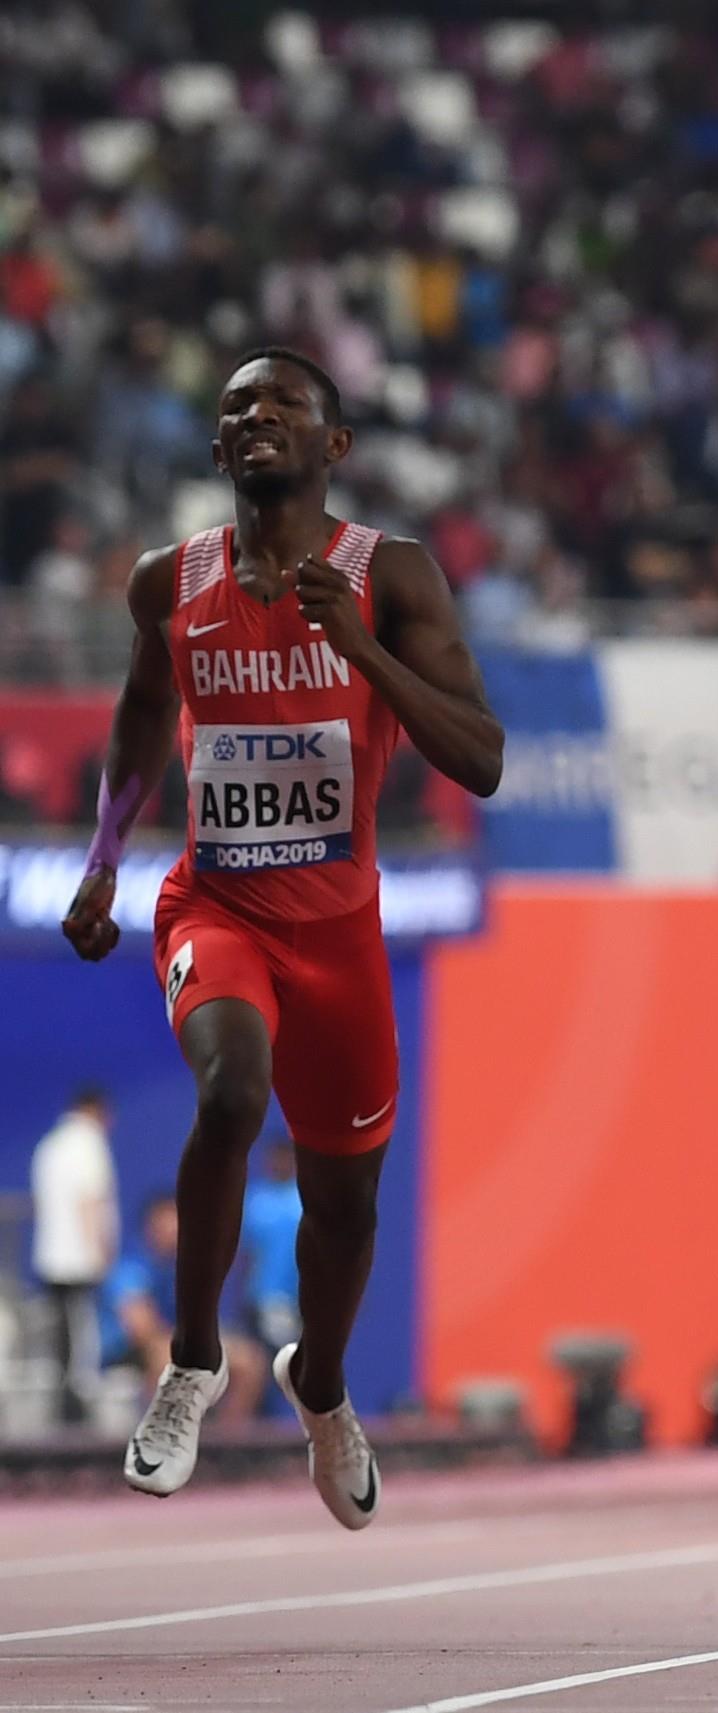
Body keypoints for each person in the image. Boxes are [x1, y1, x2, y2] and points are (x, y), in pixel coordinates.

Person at [62, 348, 505, 1524]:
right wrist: (105, 861)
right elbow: (142, 718)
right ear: (217, 453)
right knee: (228, 1093)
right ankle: (195, 1362)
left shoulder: (391, 576)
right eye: (235, 409)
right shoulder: (171, 582)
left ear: (334, 446)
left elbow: (484, 757)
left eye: (284, 404)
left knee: (344, 1207)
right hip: (219, 906)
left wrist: (360, 649)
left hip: (343, 931)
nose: (255, 417)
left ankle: (320, 1383)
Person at [102, 1191, 262, 1423]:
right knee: (167, 1359)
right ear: (151, 1227)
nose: (175, 1229)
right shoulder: (130, 1269)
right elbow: (142, 1330)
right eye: (168, 1222)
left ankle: (227, 1447)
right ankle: (159, 1445)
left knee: (249, 1360)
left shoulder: (189, 1269)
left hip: (181, 1343)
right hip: (130, 1353)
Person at [29, 1085, 118, 1427]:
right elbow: (90, 1200)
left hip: (50, 1255)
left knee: (61, 1334)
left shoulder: (49, 1146)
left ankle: (64, 1401)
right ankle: (79, 1402)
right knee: (82, 1332)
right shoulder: (88, 1143)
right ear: (97, 1111)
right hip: (80, 1256)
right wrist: (99, 1248)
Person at [238, 1137, 303, 1371]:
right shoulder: (255, 1199)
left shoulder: (308, 1196)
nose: (281, 1162)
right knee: (264, 1363)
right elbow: (247, 1253)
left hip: (303, 1298)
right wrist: (245, 1295)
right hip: (263, 1298)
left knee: (300, 1364)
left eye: (287, 1157)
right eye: (276, 1157)